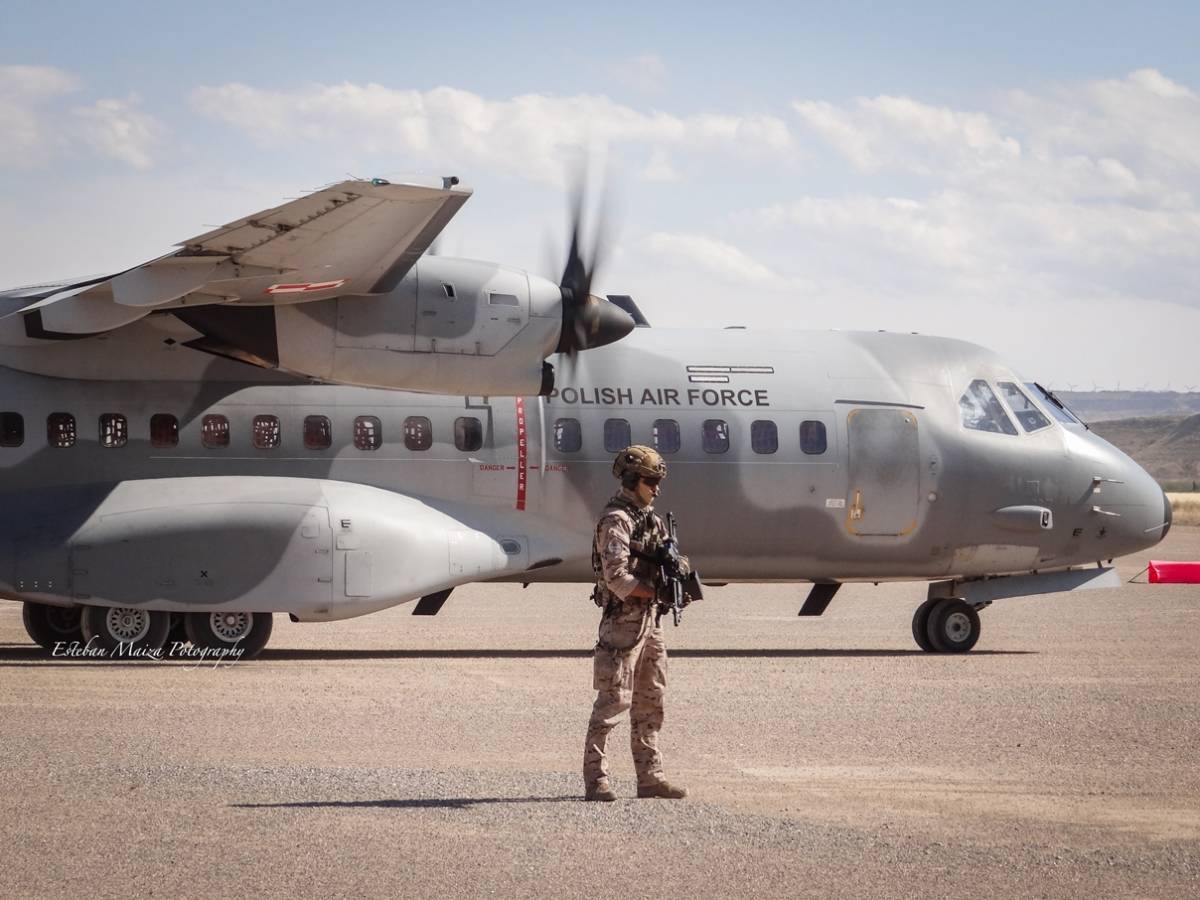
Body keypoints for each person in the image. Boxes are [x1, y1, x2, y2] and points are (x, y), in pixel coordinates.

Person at [583, 444, 687, 801]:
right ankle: (597, 780)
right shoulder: (617, 520)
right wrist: (651, 588)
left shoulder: (651, 519)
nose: (656, 488)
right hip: (623, 623)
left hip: (650, 622)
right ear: (632, 479)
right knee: (613, 701)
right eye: (651, 480)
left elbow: (662, 556)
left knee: (651, 700)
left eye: (658, 481)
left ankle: (650, 777)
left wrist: (677, 569)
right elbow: (617, 579)